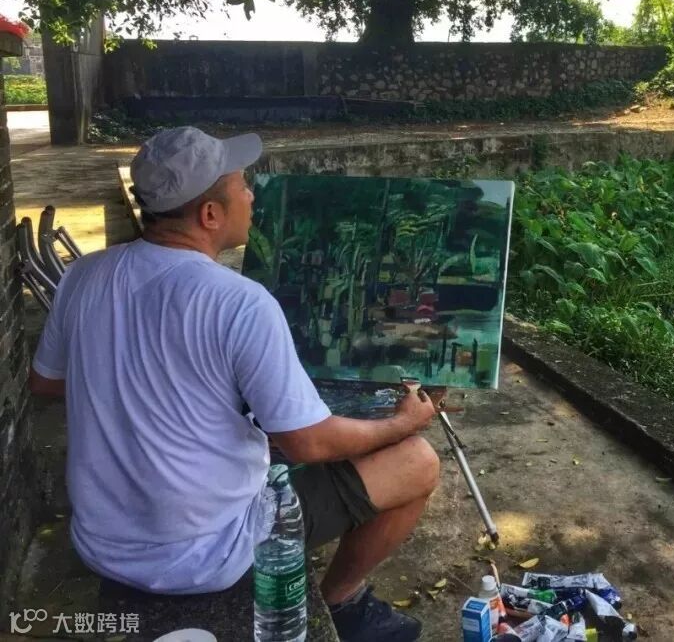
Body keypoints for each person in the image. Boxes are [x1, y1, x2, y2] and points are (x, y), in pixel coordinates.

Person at [30, 126, 440, 642]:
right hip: (210, 552)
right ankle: (343, 602)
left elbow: (46, 382)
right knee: (417, 461)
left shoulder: (84, 276)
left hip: (101, 543)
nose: (253, 195)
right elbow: (308, 443)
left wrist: (150, 398)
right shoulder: (240, 302)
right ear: (210, 214)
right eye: (243, 185)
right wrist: (404, 422)